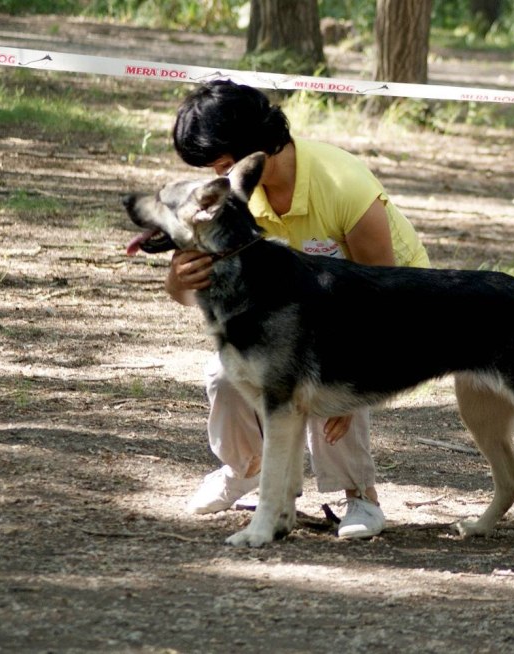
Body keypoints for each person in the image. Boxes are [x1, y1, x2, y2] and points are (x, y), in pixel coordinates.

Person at [165, 80, 430, 539]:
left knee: (327, 378)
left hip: (388, 306)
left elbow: (384, 297)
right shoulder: (235, 194)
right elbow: (189, 290)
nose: (213, 172)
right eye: (207, 165)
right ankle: (245, 470)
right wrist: (176, 281)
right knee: (226, 374)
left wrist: (355, 387)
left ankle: (360, 496)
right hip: (301, 313)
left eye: (220, 161)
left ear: (253, 145)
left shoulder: (342, 184)